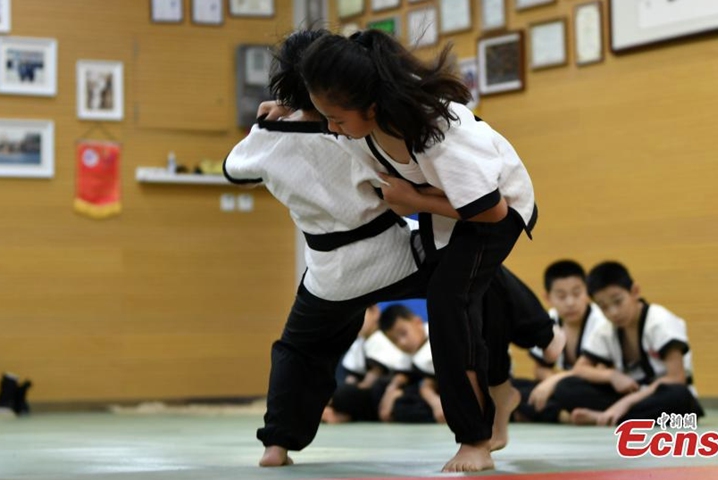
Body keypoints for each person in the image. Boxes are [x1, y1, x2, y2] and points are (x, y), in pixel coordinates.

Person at [228, 29, 559, 470]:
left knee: (310, 346)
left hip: (357, 260)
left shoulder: (286, 133)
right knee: (475, 286)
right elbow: (348, 138)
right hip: (403, 242)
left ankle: (278, 445)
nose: (332, 126)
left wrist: (270, 120)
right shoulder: (350, 128)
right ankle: (532, 348)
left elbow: (236, 170)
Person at [552, 261, 704, 426]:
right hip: (632, 393)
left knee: (678, 396)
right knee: (566, 388)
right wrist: (612, 376)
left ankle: (608, 417)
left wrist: (626, 403)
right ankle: (618, 416)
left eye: (618, 302)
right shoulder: (607, 329)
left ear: (634, 291)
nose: (613, 312)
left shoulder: (660, 322)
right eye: (603, 307)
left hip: (662, 394)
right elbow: (580, 369)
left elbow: (676, 378)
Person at [511, 260, 608, 423]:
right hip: (563, 388)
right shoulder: (548, 320)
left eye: (577, 293)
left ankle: (539, 412)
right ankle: (563, 415)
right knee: (510, 388)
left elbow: (602, 369)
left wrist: (555, 382)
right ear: (548, 297)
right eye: (561, 296)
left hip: (590, 388)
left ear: (587, 292)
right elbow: (540, 368)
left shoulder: (601, 321)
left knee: (567, 390)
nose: (570, 302)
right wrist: (550, 383)